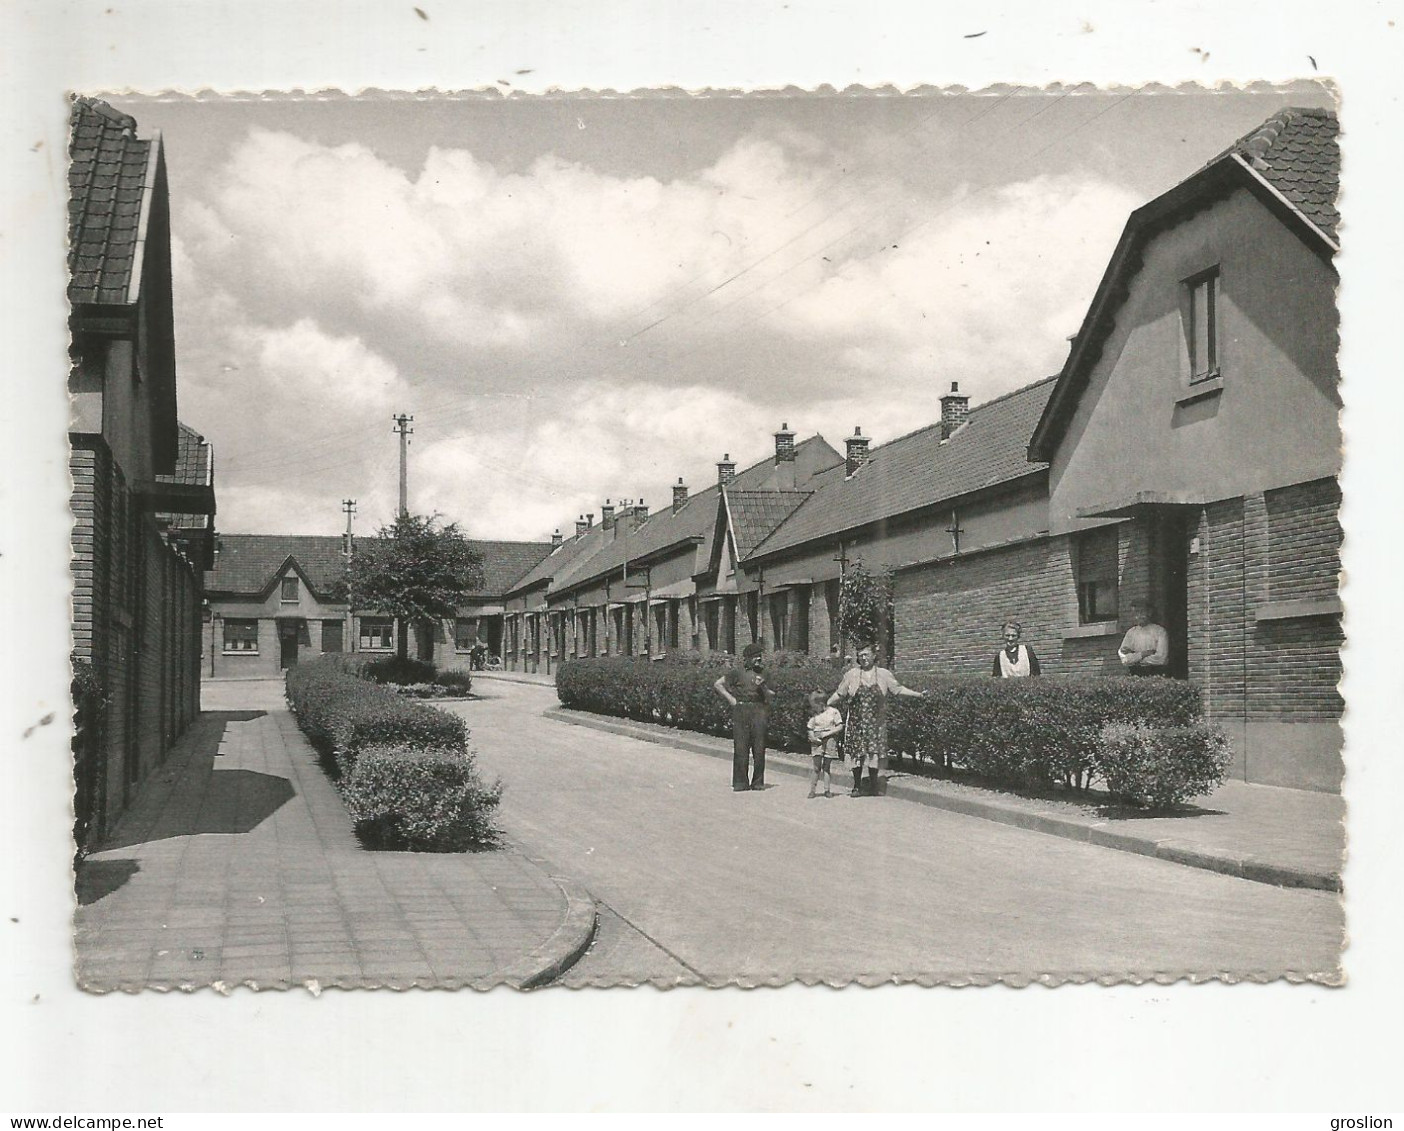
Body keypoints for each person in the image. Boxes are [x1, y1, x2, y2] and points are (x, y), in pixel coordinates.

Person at [828, 640, 926, 796]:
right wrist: (826, 704)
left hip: (875, 723)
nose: (864, 658)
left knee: (874, 754)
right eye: (860, 656)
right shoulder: (851, 675)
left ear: (874, 656)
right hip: (856, 723)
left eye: (867, 654)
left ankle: (874, 786)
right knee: (856, 754)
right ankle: (857, 786)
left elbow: (898, 689)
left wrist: (918, 695)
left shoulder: (883, 674)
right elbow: (840, 694)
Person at [713, 641, 774, 791]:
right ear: (747, 658)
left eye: (760, 656)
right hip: (741, 710)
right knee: (741, 747)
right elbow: (718, 684)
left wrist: (763, 687)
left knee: (759, 748)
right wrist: (732, 700)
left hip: (759, 709)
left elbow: (772, 696)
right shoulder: (737, 672)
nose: (758, 659)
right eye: (755, 657)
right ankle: (741, 782)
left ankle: (758, 782)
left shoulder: (765, 673)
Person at [804, 690, 845, 799]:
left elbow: (840, 726)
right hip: (817, 740)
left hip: (830, 739)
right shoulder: (814, 715)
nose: (813, 709)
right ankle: (812, 790)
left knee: (826, 767)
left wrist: (828, 733)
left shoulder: (833, 712)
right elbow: (810, 728)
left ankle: (827, 790)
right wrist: (813, 737)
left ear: (821, 704)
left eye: (815, 706)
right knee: (816, 767)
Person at [1118, 599, 1170, 676]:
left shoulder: (1160, 631)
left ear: (1149, 612)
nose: (1138, 616)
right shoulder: (1131, 633)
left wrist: (1135, 659)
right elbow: (1124, 658)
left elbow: (1161, 658)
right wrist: (1143, 654)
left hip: (1155, 673)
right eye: (1135, 613)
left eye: (1141, 612)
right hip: (1135, 675)